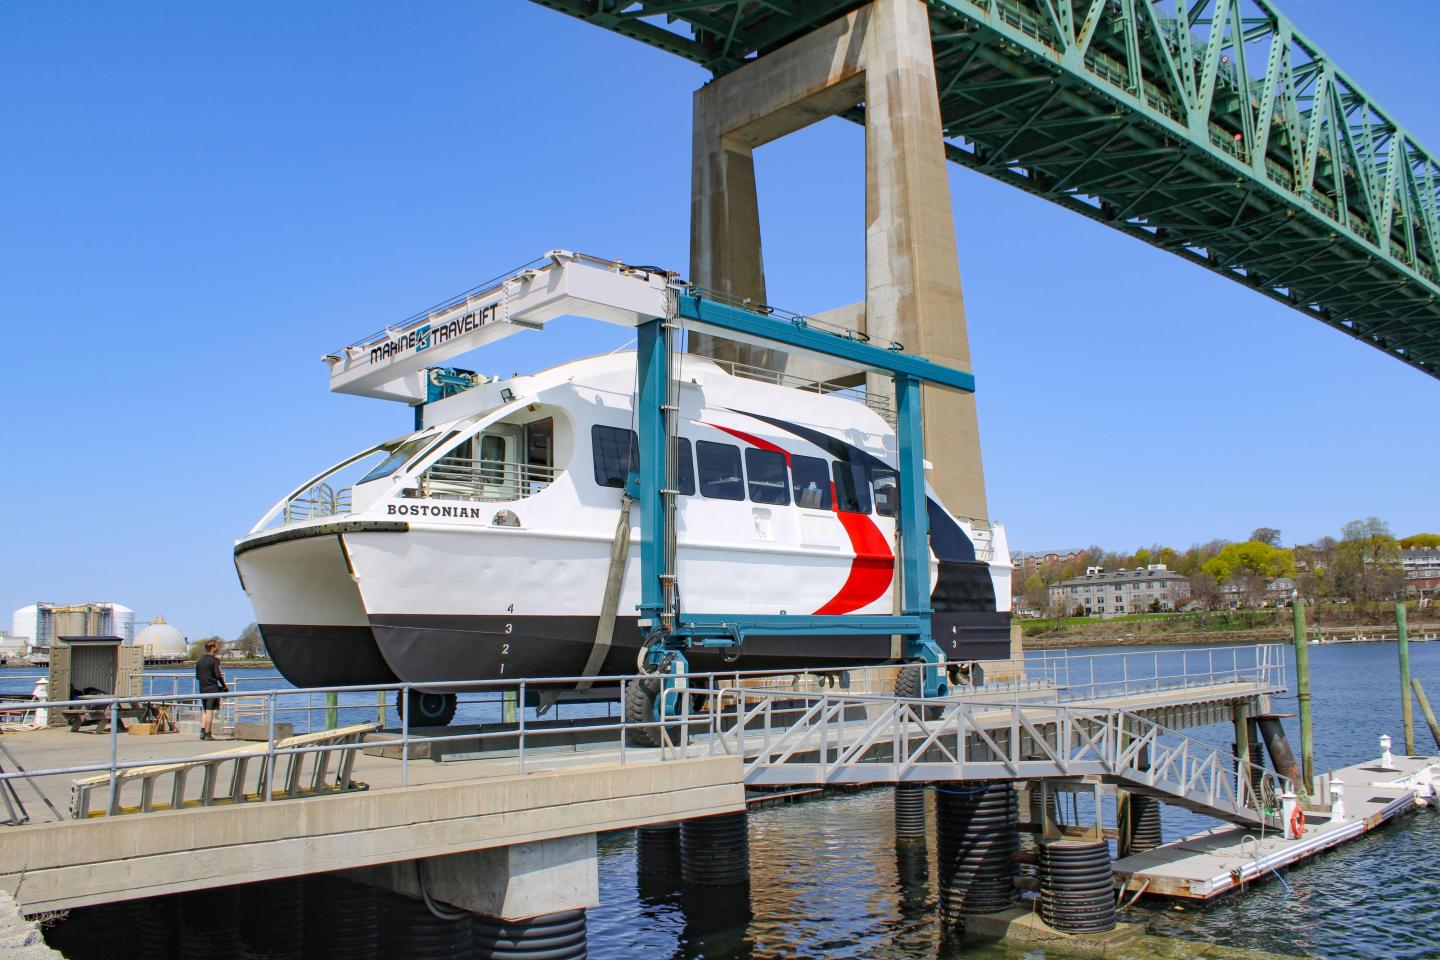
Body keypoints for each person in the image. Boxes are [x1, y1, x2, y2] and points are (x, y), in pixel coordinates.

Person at [195, 639, 227, 741]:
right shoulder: (214, 660)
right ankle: (208, 734)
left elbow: (198, 677)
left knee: (205, 710)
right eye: (216, 646)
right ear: (212, 648)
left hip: (202, 688)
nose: (218, 648)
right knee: (209, 711)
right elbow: (218, 675)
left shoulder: (199, 661)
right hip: (212, 689)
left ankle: (203, 731)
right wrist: (224, 686)